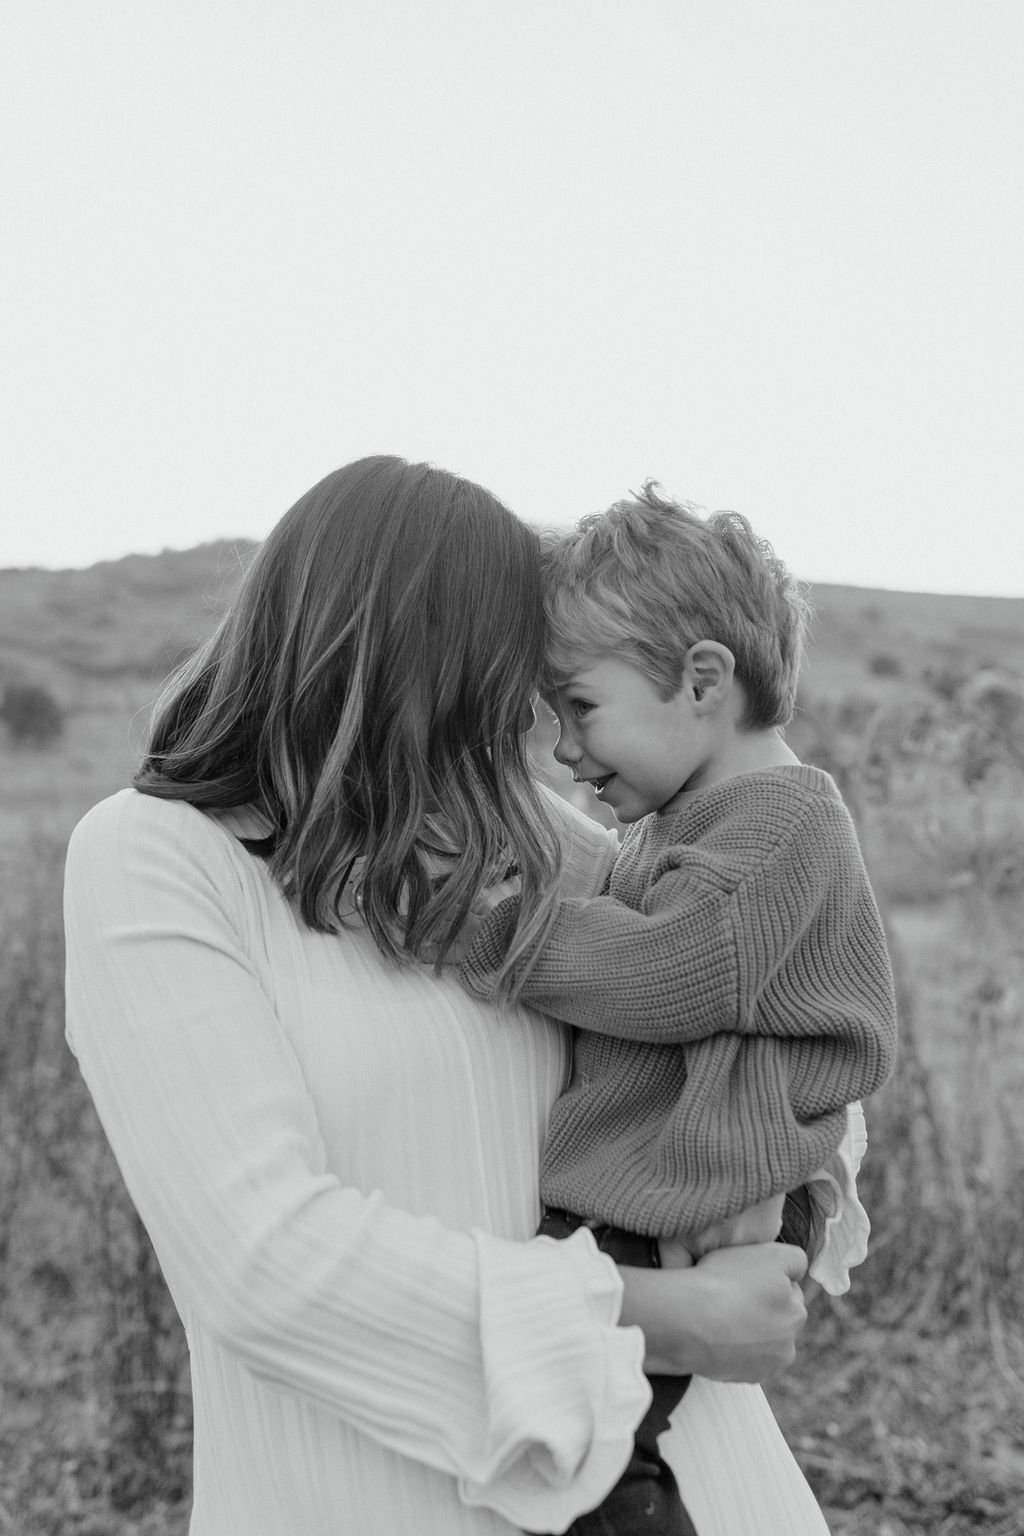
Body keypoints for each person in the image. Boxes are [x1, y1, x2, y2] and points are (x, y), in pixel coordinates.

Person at [65, 454, 831, 1536]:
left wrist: (782, 1189)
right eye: (493, 688)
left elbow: (772, 1000)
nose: (533, 743)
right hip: (368, 1495)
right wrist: (659, 1315)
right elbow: (260, 1263)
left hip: (708, 1484)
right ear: (383, 658)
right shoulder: (157, 861)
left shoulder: (540, 841)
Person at [460, 483, 898, 1536]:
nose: (563, 748)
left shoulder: (781, 820)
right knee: (574, 1423)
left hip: (704, 1180)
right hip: (671, 1172)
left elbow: (669, 972)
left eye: (580, 706)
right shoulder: (686, 817)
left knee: (600, 1451)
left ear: (701, 679)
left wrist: (481, 929)